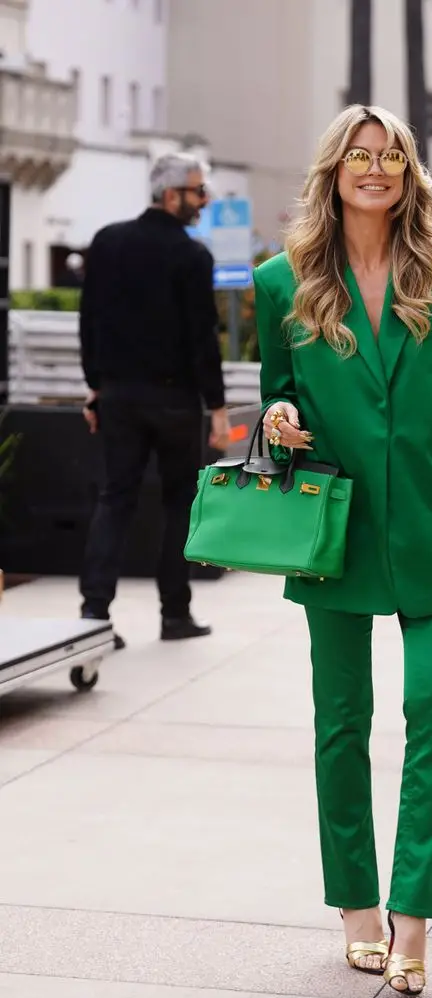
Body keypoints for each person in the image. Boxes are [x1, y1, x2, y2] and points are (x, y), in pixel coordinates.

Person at [254, 105, 432, 996]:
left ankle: (412, 917)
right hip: (336, 530)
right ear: (333, 172)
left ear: (408, 175)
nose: (375, 171)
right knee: (341, 725)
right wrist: (277, 420)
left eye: (390, 159)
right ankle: (355, 907)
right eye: (359, 157)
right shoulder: (282, 280)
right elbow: (276, 395)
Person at [79, 152, 231, 645]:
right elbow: (201, 339)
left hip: (119, 396)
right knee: (178, 503)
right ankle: (175, 614)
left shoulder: (106, 242)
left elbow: (90, 320)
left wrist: (94, 387)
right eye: (198, 191)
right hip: (174, 401)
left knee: (114, 499)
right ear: (171, 196)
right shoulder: (191, 256)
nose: (204, 201)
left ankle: (93, 616)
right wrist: (218, 407)